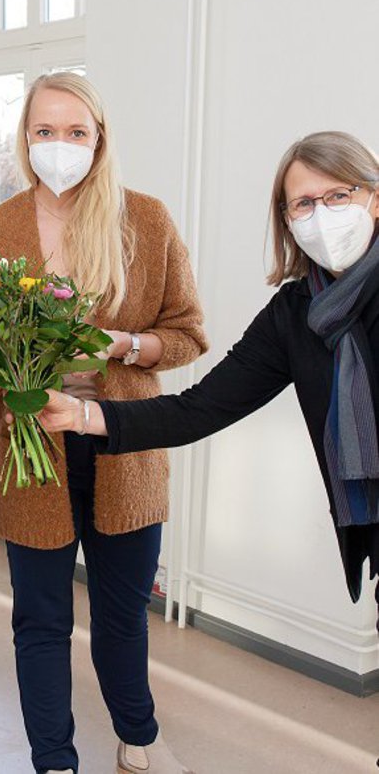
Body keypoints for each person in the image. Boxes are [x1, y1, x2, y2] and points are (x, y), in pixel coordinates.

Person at [36, 130, 379, 636]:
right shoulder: (295, 314)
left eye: (338, 195)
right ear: (286, 221)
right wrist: (84, 415)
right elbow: (201, 408)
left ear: (373, 198)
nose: (323, 215)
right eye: (303, 204)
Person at [0, 72, 207, 774]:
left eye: (75, 132)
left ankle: (139, 737)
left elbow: (187, 334)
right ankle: (54, 761)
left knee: (123, 616)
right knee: (39, 620)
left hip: (122, 446)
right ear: (25, 138)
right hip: (30, 451)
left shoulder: (147, 222)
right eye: (45, 131)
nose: (59, 145)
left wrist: (123, 345)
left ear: (100, 140)